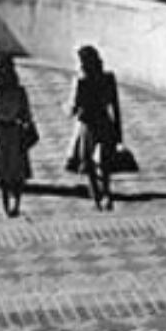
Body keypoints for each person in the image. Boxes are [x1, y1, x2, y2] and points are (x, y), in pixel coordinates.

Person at [0, 55, 38, 218]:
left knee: (5, 174)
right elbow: (26, 115)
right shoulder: (19, 91)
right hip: (13, 132)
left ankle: (8, 206)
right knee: (15, 172)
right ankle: (14, 205)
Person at [68, 45, 123, 211]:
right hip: (105, 121)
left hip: (87, 124)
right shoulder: (108, 78)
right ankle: (106, 191)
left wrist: (66, 108)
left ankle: (96, 197)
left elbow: (74, 107)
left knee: (88, 162)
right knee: (104, 161)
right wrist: (119, 131)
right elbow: (115, 105)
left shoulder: (81, 81)